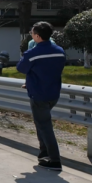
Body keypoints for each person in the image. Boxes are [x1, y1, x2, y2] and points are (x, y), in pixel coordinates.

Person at [17, 21, 66, 171]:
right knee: (41, 124)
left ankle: (54, 160)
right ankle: (44, 154)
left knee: (44, 126)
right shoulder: (59, 51)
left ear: (37, 36)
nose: (31, 35)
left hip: (39, 94)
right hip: (53, 93)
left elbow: (21, 68)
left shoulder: (33, 53)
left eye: (32, 33)